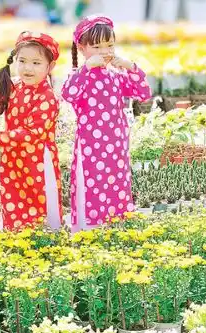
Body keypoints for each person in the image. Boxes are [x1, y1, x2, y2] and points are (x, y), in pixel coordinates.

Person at [62, 15, 151, 232]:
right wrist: (85, 69)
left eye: (109, 45)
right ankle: (90, 226)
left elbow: (143, 93)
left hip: (117, 144)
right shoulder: (80, 76)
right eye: (96, 46)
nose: (105, 51)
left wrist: (130, 67)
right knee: (92, 184)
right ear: (82, 48)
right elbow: (67, 94)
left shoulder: (116, 76)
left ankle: (117, 221)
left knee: (117, 182)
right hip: (91, 146)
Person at [0, 31, 63, 230]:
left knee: (39, 202)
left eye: (36, 63)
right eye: (22, 60)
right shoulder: (14, 85)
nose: (27, 68)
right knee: (13, 202)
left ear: (50, 66)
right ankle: (15, 242)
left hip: (37, 162)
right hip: (12, 158)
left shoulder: (47, 97)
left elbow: (31, 134)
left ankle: (44, 245)